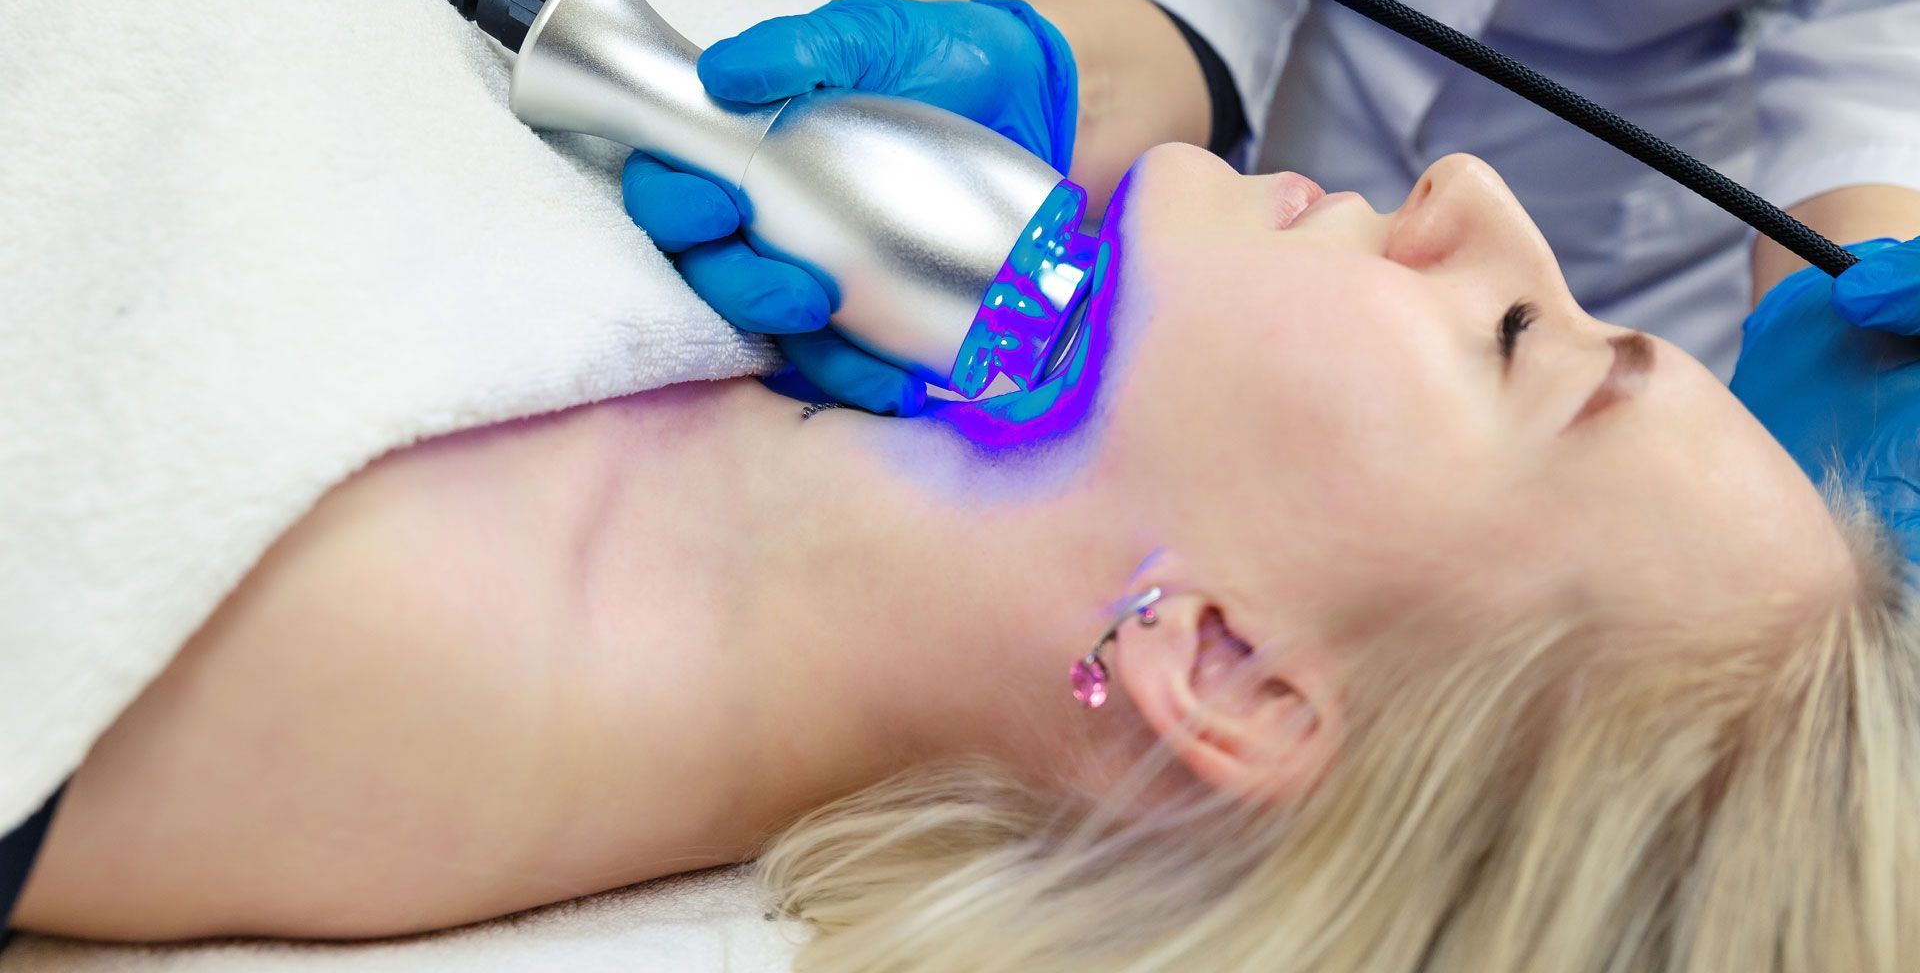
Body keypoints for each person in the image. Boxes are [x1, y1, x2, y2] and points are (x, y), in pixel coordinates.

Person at [12, 149, 1915, 973]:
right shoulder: (835, 232)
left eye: (1516, 342)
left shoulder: (324, 650)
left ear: (1228, 667)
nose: (1472, 195)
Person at [622, 0, 1920, 549]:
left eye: (1530, 333)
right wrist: (1072, 85)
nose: (1460, 182)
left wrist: (1852, 327)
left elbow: (1886, 31)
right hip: (1258, 148)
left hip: (1696, 245)